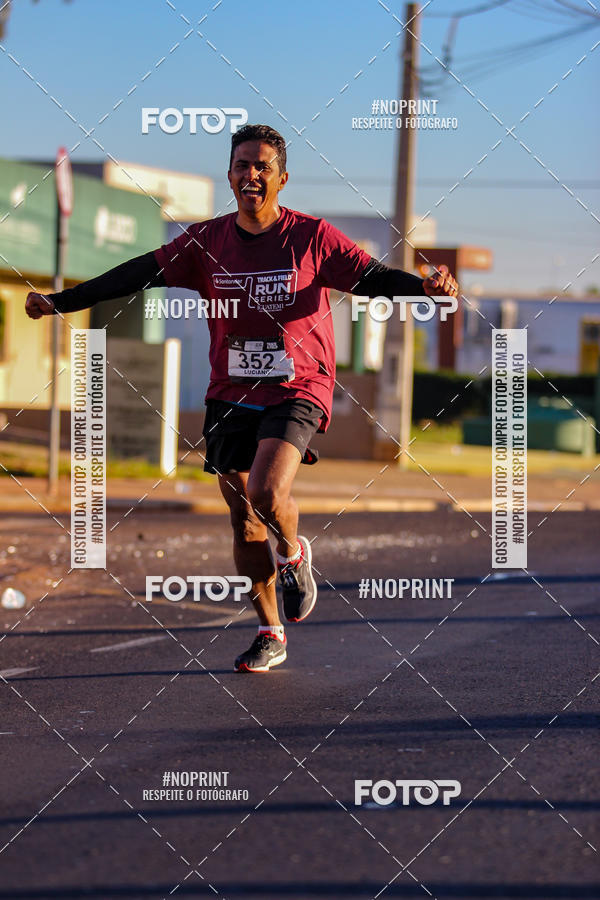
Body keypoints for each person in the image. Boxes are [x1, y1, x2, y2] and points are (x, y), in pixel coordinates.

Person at [26, 124, 458, 673]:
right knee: (243, 517)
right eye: (240, 164)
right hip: (230, 388)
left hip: (298, 385)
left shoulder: (312, 238)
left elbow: (369, 277)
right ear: (229, 174)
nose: (250, 174)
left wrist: (423, 287)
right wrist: (63, 302)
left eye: (261, 166)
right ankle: (270, 630)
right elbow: (139, 273)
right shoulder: (206, 242)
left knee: (266, 490)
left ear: (281, 178)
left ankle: (295, 553)